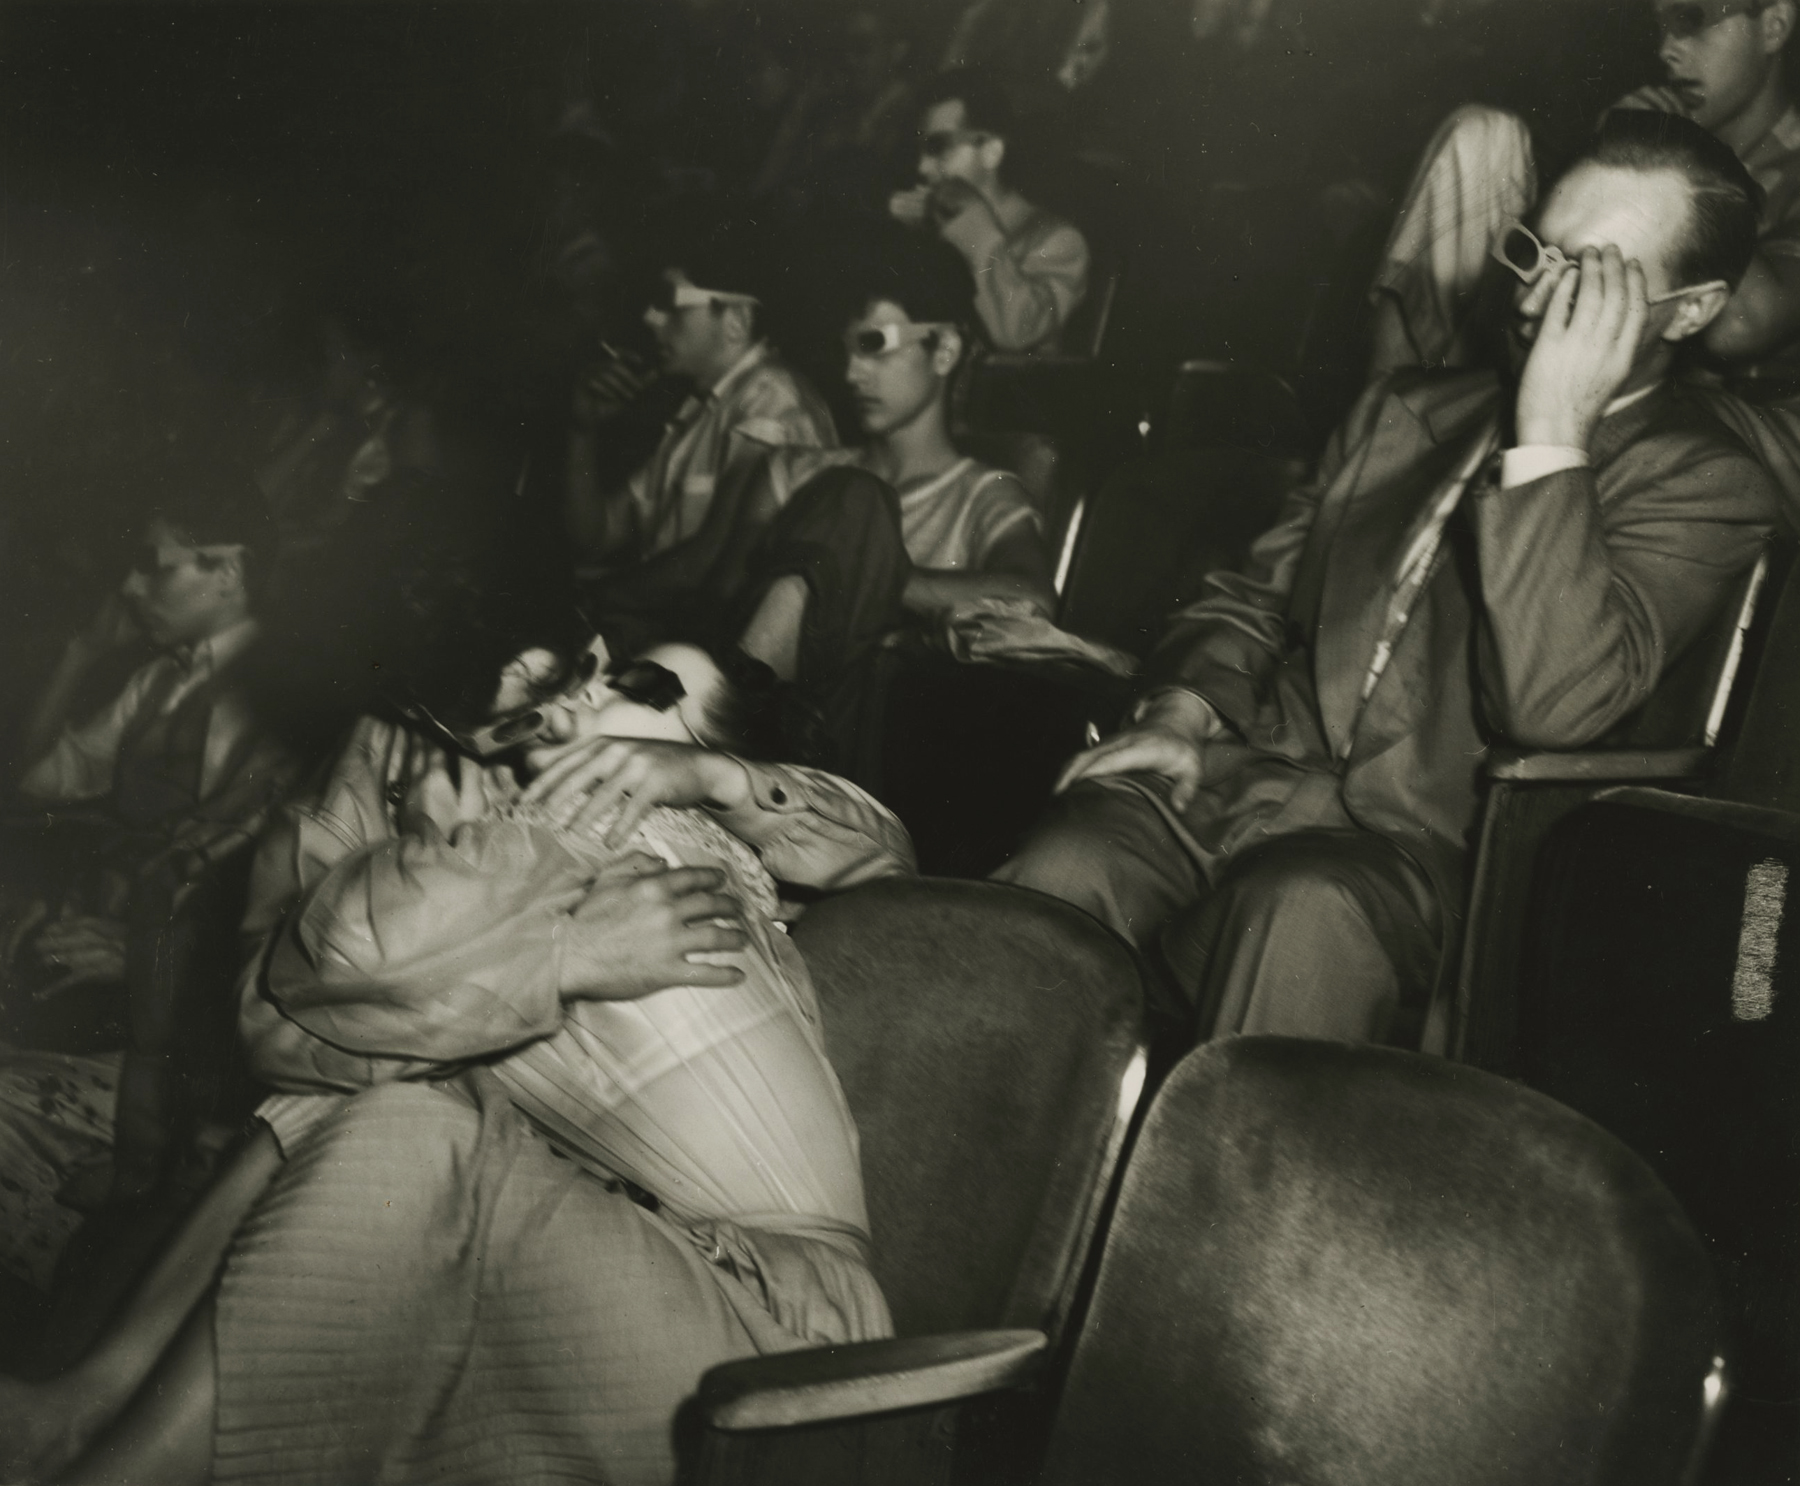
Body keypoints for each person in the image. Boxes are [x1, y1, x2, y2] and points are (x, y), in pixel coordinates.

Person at [0, 545, 910, 1486]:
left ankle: (102, 1463)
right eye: (592, 669)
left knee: (402, 1132)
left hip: (777, 1329)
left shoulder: (646, 830)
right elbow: (294, 1031)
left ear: (702, 746)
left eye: (641, 684)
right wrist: (528, 913)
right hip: (662, 1275)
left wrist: (712, 782)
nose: (585, 686)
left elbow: (888, 854)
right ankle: (89, 1410)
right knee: (367, 1101)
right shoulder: (527, 828)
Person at [995, 111, 1779, 1048]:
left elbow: (1553, 707)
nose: (1533, 300)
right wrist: (1181, 714)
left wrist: (1553, 438)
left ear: (1690, 312)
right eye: (1539, 251)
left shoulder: (1704, 483)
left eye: (1592, 280)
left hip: (1423, 857)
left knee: (1302, 913)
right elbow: (1254, 595)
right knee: (1060, 865)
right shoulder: (1408, 409)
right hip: (1240, 787)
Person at [0, 468, 301, 1293]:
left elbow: (263, 919)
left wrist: (137, 952)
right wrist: (79, 654)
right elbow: (41, 783)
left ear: (227, 573)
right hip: (113, 968)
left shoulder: (281, 707)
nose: (131, 585)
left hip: (176, 1024)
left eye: (156, 565)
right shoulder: (163, 675)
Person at [1370, 0, 1800, 375]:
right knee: (1482, 136)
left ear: (1775, 25)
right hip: (1559, 386)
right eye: (1661, 26)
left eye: (1689, 18)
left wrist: (1670, 153)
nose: (1666, 49)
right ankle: (1381, 427)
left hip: (1698, 440)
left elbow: (1740, 327)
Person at [564, 224, 837, 574]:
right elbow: (595, 537)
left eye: (671, 303)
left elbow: (716, 562)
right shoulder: (700, 410)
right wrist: (581, 430)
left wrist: (605, 601)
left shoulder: (771, 403)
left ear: (736, 321)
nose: (652, 318)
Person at [889, 69, 1091, 353]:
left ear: (991, 151)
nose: (922, 168)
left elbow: (1016, 333)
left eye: (939, 147)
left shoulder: (1057, 241)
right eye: (921, 150)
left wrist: (972, 224)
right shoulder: (930, 226)